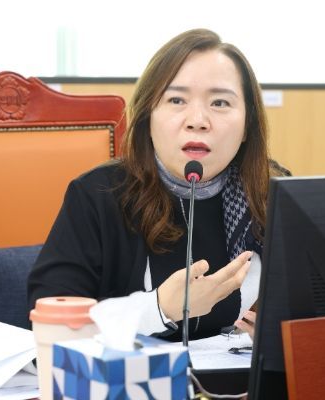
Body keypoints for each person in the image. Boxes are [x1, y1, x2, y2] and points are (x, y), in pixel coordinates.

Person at [27, 28, 288, 341]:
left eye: (220, 103)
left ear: (247, 125)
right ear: (148, 117)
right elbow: (52, 322)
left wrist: (283, 334)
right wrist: (160, 308)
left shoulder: (273, 193)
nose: (197, 120)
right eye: (176, 100)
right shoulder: (99, 194)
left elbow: (318, 302)